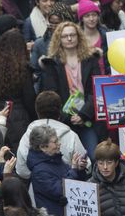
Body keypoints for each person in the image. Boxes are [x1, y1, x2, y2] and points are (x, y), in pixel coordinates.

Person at [39, 22, 103, 157]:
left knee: (93, 155)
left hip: (87, 118)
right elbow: (51, 95)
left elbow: (96, 90)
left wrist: (83, 115)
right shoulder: (52, 63)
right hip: (63, 119)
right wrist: (68, 117)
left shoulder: (90, 59)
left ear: (79, 37)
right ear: (59, 40)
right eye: (65, 36)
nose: (69, 39)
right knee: (68, 158)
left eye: (72, 35)